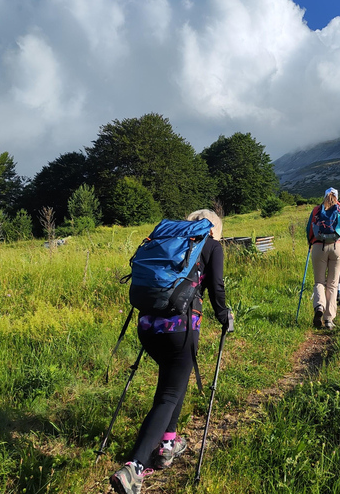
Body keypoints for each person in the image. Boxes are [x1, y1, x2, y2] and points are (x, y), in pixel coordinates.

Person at [110, 209, 233, 494]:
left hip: (147, 326)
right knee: (168, 393)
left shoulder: (166, 241)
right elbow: (216, 286)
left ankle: (168, 443)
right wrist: (225, 315)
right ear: (214, 229)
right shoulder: (211, 244)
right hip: (182, 329)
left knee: (170, 385)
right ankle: (134, 467)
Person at [305, 187, 340, 330]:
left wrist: (310, 242)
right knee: (332, 283)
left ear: (324, 196)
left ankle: (319, 306)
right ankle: (329, 319)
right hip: (337, 247)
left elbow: (309, 231)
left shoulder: (316, 210)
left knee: (319, 281)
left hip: (319, 247)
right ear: (337, 197)